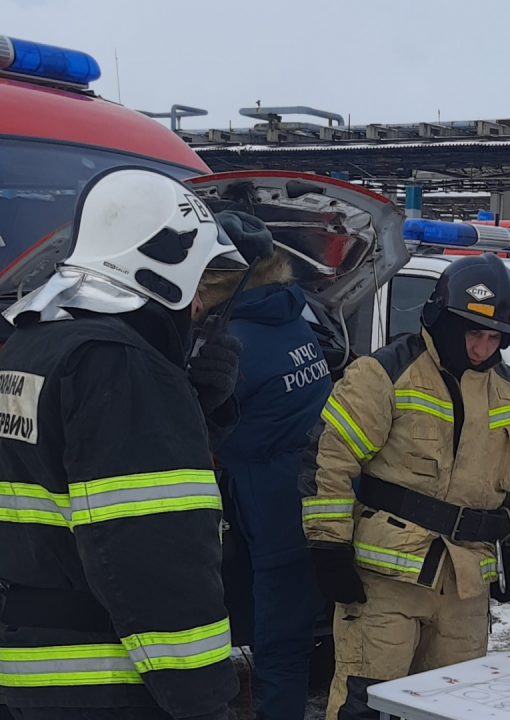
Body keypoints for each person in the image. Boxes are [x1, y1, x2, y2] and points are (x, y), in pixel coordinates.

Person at [0, 167, 247, 719]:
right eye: (199, 286)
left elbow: (63, 487)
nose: (201, 308)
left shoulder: (30, 344)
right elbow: (156, 553)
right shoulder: (121, 366)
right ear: (160, 267)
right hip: (107, 683)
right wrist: (205, 701)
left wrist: (195, 411)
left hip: (28, 670)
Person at [301, 253, 510, 720]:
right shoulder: (385, 374)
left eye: (494, 337)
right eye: (474, 333)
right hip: (384, 582)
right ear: (443, 319)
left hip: (466, 587)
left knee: (453, 707)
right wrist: (328, 546)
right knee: (366, 705)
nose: (482, 348)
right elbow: (329, 462)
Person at [196, 211, 331, 720]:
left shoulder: (234, 345)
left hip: (276, 505)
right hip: (303, 491)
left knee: (280, 645)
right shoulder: (293, 316)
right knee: (286, 636)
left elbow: (211, 431)